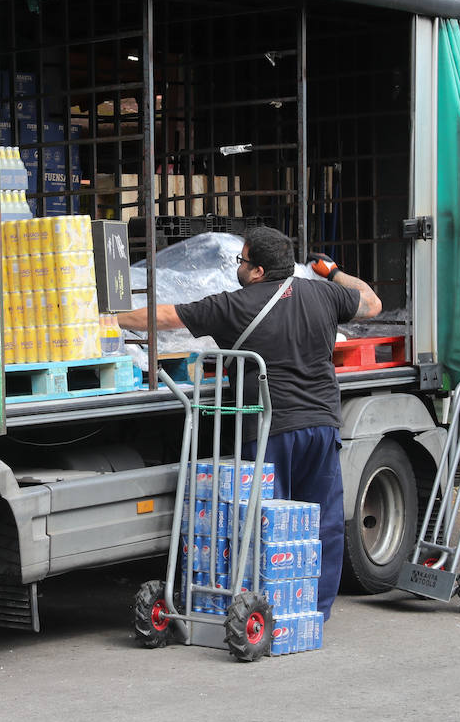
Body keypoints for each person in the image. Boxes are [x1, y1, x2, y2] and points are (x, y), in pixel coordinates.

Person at [116, 226, 381, 619]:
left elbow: (167, 316)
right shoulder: (324, 293)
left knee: (265, 525)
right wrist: (332, 271)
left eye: (241, 260)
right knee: (321, 520)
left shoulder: (235, 305)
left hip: (268, 429)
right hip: (322, 424)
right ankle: (312, 612)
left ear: (257, 271)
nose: (237, 266)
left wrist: (109, 318)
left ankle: (263, 609)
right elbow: (372, 304)